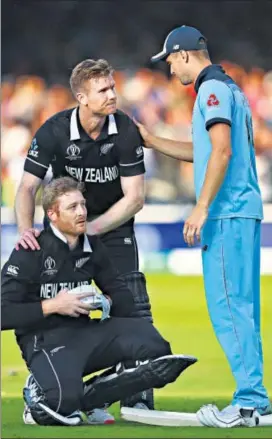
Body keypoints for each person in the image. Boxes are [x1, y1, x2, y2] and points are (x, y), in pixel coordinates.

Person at [135, 25, 271, 427]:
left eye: (171, 60)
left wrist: (201, 207)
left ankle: (248, 401)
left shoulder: (210, 90)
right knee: (242, 309)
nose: (170, 69)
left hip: (226, 213)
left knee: (229, 309)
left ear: (184, 54)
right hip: (242, 211)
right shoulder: (229, 88)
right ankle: (256, 398)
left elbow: (222, 151)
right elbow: (207, 150)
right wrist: (154, 140)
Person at [14, 58, 154, 421]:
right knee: (59, 308)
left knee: (132, 306)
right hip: (64, 229)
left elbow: (135, 197)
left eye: (113, 86)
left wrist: (92, 229)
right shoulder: (53, 131)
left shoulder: (124, 129)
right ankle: (46, 380)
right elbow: (28, 186)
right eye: (103, 90)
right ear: (81, 97)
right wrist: (25, 229)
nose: (113, 95)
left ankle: (136, 394)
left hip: (114, 226)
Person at [2, 177, 197, 426]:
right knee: (63, 408)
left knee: (155, 348)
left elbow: (120, 294)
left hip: (85, 333)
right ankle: (40, 391)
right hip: (45, 342)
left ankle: (96, 395)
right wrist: (53, 305)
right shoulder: (30, 250)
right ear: (52, 213)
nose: (82, 212)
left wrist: (105, 301)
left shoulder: (92, 245)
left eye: (83, 205)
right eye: (72, 207)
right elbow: (3, 313)